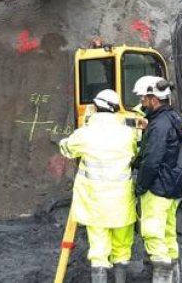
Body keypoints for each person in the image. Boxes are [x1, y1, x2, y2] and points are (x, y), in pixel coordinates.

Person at [59, 89, 138, 283]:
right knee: (122, 249)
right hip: (122, 203)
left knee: (99, 252)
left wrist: (84, 124)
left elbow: (66, 148)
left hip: (95, 205)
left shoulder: (85, 134)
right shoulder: (128, 134)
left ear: (94, 107)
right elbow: (135, 152)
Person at [131, 76, 182, 283]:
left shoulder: (160, 125)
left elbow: (153, 161)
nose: (141, 103)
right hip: (173, 186)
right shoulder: (174, 118)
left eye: (143, 99)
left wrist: (140, 186)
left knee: (153, 236)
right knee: (168, 235)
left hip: (157, 188)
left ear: (153, 98)